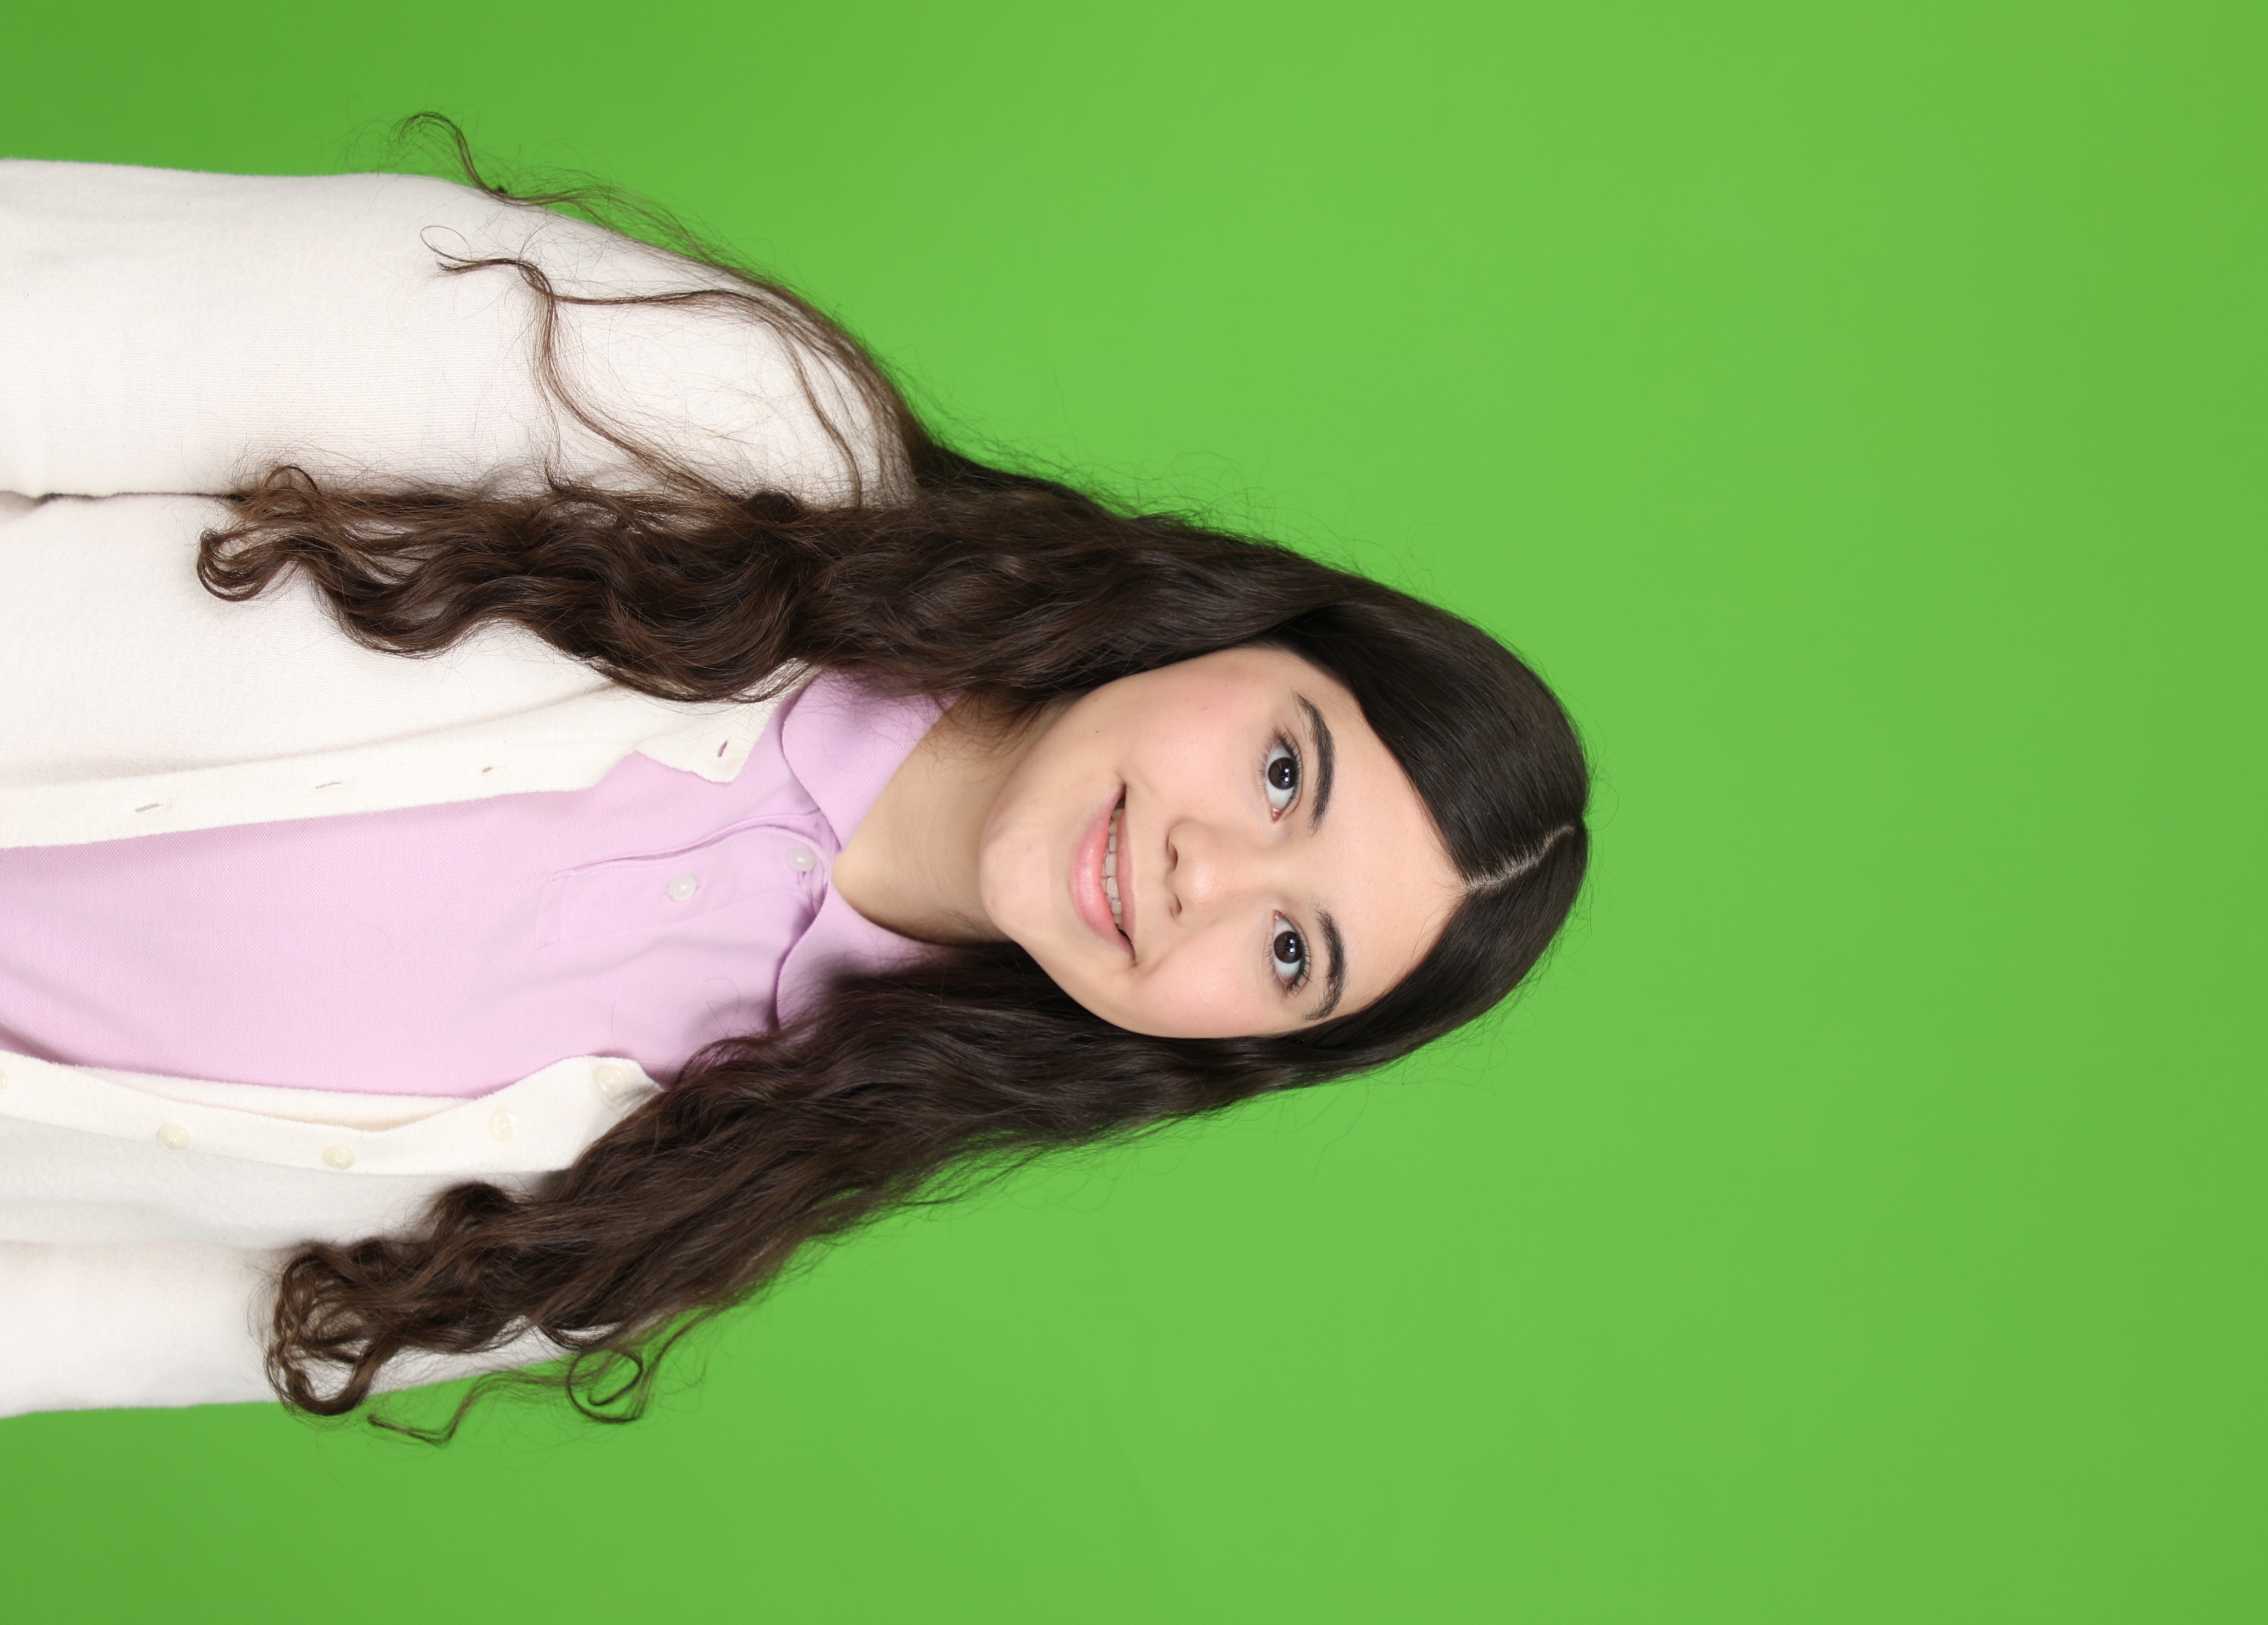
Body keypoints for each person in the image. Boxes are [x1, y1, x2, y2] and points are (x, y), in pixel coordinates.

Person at [0, 124, 1588, 1434]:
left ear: (1237, 1048)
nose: (1210, 876)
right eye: (1287, 771)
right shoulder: (730, 429)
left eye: (1293, 952)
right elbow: (73, 327)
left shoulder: (690, 1204)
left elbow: (86, 1324)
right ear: (1228, 630)